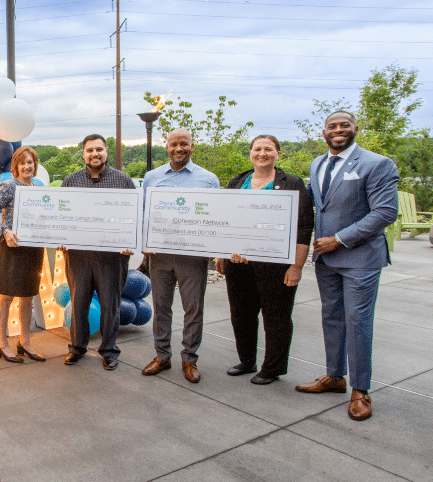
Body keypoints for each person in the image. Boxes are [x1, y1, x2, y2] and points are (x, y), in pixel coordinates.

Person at [296, 111, 398, 421]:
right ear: (323, 132)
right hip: (325, 260)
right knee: (332, 318)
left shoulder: (377, 164)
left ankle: (360, 390)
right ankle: (334, 376)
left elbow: (384, 213)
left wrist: (339, 239)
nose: (338, 130)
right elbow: (308, 205)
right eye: (332, 126)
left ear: (355, 129)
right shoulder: (317, 164)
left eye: (345, 125)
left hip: (360, 258)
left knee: (357, 322)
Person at [215, 135, 313, 385]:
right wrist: (221, 253)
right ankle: (247, 361)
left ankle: (272, 368)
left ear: (278, 153)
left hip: (276, 264)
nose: (262, 153)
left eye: (268, 149)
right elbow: (225, 219)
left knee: (276, 317)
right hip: (239, 263)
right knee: (241, 314)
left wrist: (297, 266)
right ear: (250, 153)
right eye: (257, 149)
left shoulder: (291, 183)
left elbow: (303, 227)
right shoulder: (238, 181)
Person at [141, 128, 219, 383]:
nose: (178, 148)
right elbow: (144, 213)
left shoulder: (208, 179)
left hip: (191, 257)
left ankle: (189, 359)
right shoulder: (152, 177)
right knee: (161, 306)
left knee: (193, 309)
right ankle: (162, 356)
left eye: (183, 144)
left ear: (192, 147)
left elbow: (215, 217)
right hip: (160, 255)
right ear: (167, 147)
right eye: (174, 144)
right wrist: (143, 240)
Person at [59, 134, 135, 370]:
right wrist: (58, 237)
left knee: (110, 305)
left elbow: (134, 216)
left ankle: (110, 351)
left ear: (106, 152)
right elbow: (60, 215)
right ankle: (77, 348)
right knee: (79, 303)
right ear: (83, 153)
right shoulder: (70, 181)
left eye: (99, 149)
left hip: (111, 257)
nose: (95, 154)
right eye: (90, 150)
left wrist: (130, 240)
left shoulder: (123, 181)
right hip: (78, 255)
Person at [0, 146, 46, 363]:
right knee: (6, 297)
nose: (27, 166)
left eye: (30, 162)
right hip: (11, 249)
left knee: (28, 297)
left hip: (33, 250)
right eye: (22, 163)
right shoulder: (8, 187)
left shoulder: (38, 190)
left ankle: (24, 342)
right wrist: (3, 230)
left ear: (35, 166)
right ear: (15, 167)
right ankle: (2, 343)